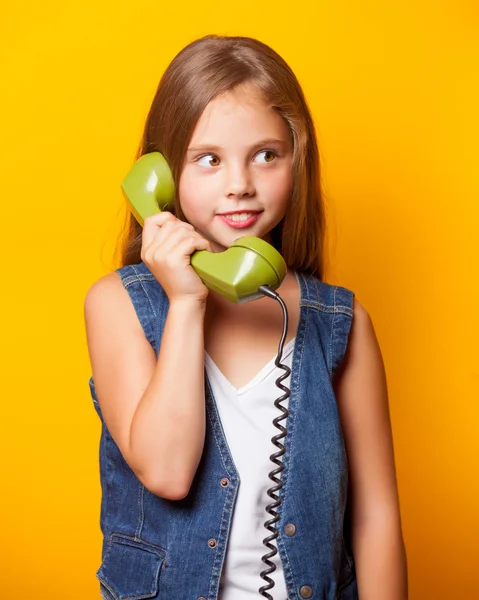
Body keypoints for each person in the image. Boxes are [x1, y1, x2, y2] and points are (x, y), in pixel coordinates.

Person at [84, 35, 408, 600]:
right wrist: (186, 303)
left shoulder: (339, 322)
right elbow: (167, 471)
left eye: (266, 154)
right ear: (158, 175)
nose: (240, 183)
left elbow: (375, 517)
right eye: (208, 159)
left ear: (295, 160)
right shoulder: (117, 305)